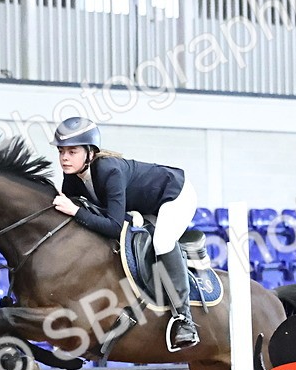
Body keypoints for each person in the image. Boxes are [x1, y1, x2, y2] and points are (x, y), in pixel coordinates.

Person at [50, 116, 200, 351]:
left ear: (90, 152)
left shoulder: (109, 170)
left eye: (72, 151)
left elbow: (113, 226)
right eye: (61, 152)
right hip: (142, 207)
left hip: (173, 195)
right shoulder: (72, 178)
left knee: (162, 242)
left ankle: (184, 320)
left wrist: (76, 211)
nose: (65, 158)